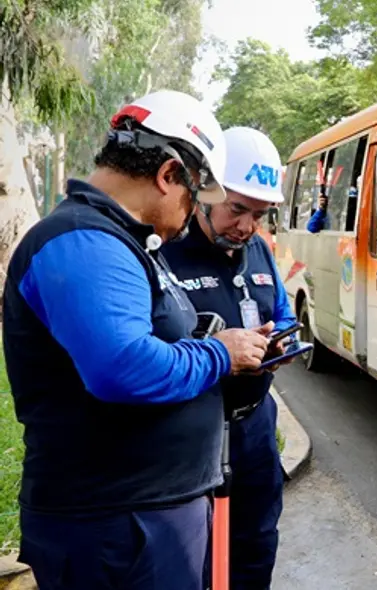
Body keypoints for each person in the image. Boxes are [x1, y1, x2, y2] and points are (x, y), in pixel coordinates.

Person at [1, 90, 272, 590]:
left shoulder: (122, 242)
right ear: (169, 175)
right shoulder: (82, 241)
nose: (193, 215)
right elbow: (123, 366)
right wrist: (220, 353)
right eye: (195, 197)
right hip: (115, 526)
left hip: (143, 520)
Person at [161, 126, 297, 589]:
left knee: (256, 544)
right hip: (191, 430)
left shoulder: (257, 248)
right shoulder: (165, 251)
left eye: (259, 214)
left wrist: (279, 340)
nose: (245, 226)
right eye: (237, 209)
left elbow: (280, 310)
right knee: (193, 556)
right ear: (203, 190)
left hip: (255, 427)